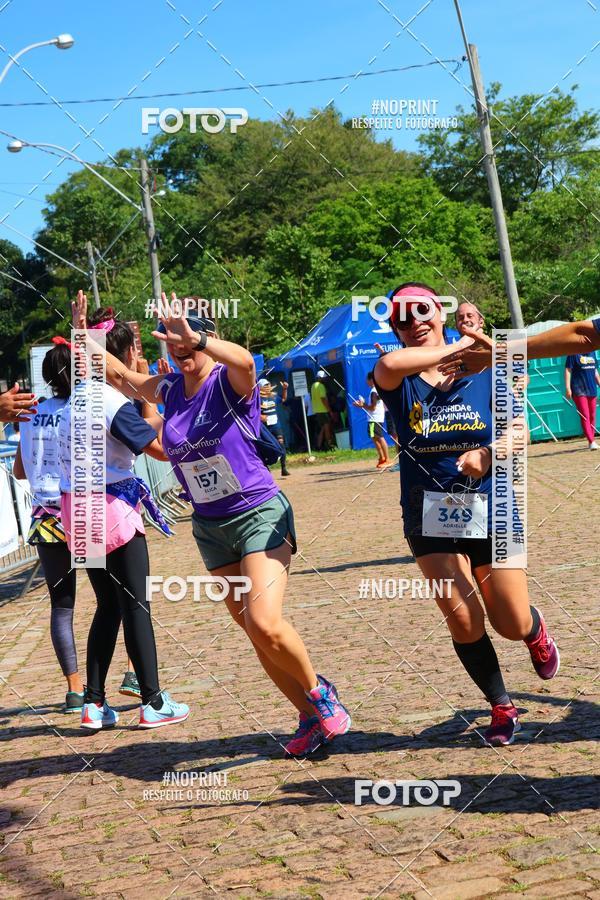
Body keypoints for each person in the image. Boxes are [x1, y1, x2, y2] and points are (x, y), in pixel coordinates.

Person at [83, 288, 351, 757]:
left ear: (207, 338)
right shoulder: (169, 389)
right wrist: (81, 335)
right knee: (255, 633)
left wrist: (200, 341)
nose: (179, 350)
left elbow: (245, 361)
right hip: (210, 527)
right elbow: (122, 375)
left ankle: (319, 691)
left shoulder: (228, 381)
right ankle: (308, 718)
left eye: (186, 341)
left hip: (258, 514)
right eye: (172, 343)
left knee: (265, 622)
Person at [373, 281, 559, 747]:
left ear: (439, 312)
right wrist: (460, 346)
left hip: (493, 508)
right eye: (402, 318)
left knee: (509, 622)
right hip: (426, 514)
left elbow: (521, 433)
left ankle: (534, 630)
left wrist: (489, 454)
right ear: (395, 328)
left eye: (422, 312)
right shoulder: (397, 375)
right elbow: (389, 366)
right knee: (462, 618)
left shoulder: (484, 371)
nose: (414, 323)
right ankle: (501, 705)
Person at [62, 300, 190, 730]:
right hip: (112, 509)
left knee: (107, 606)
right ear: (123, 356)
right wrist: (173, 411)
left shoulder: (76, 400)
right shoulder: (110, 401)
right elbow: (159, 449)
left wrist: (80, 328)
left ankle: (94, 704)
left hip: (77, 513)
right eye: (133, 351)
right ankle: (153, 700)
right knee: (136, 604)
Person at [12, 341, 138, 713]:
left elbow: (20, 470)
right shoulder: (83, 408)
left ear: (47, 375)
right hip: (83, 513)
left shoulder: (32, 413)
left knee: (62, 607)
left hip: (47, 519)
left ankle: (74, 690)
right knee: (115, 598)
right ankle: (129, 675)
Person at [353, 371, 392, 468]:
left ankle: (387, 459)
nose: (366, 381)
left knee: (379, 438)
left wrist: (362, 405)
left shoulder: (374, 391)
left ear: (371, 380)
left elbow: (373, 408)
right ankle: (382, 458)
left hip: (374, 419)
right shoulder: (376, 390)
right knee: (375, 438)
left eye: (367, 379)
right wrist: (363, 404)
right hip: (375, 418)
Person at [565, 350, 600, 450]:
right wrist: (568, 388)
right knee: (585, 415)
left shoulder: (592, 353)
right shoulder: (573, 353)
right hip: (579, 389)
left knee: (592, 415)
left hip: (592, 388)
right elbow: (568, 370)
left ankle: (591, 440)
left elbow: (595, 372)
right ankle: (591, 441)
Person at [259, 378, 291, 476]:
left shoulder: (274, 396)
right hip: (265, 428)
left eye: (268, 385)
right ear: (260, 387)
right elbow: (253, 411)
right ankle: (266, 468)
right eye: (265, 385)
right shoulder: (257, 399)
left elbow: (283, 399)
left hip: (276, 425)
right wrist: (260, 416)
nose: (267, 387)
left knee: (281, 444)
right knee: (265, 447)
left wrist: (285, 389)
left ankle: (283, 468)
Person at [310, 370, 333, 451]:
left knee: (322, 429)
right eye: (324, 378)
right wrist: (330, 410)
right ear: (320, 378)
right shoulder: (321, 386)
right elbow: (323, 399)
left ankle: (318, 446)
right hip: (323, 410)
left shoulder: (313, 386)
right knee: (327, 428)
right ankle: (329, 446)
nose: (325, 379)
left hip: (317, 411)